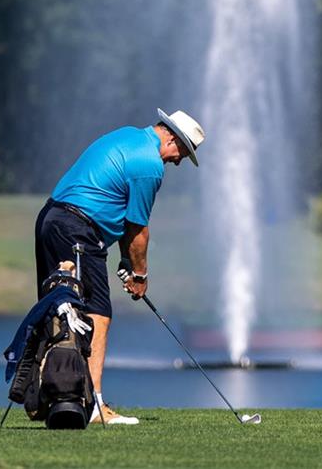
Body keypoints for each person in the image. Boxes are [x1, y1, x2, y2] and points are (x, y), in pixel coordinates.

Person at [33, 107, 205, 425]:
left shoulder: (129, 135)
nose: (179, 161)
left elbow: (125, 225)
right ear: (172, 137)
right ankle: (93, 403)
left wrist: (124, 260)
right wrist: (139, 275)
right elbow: (138, 230)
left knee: (57, 308)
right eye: (184, 152)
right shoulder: (150, 166)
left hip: (51, 219)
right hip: (78, 229)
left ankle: (46, 399)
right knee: (97, 313)